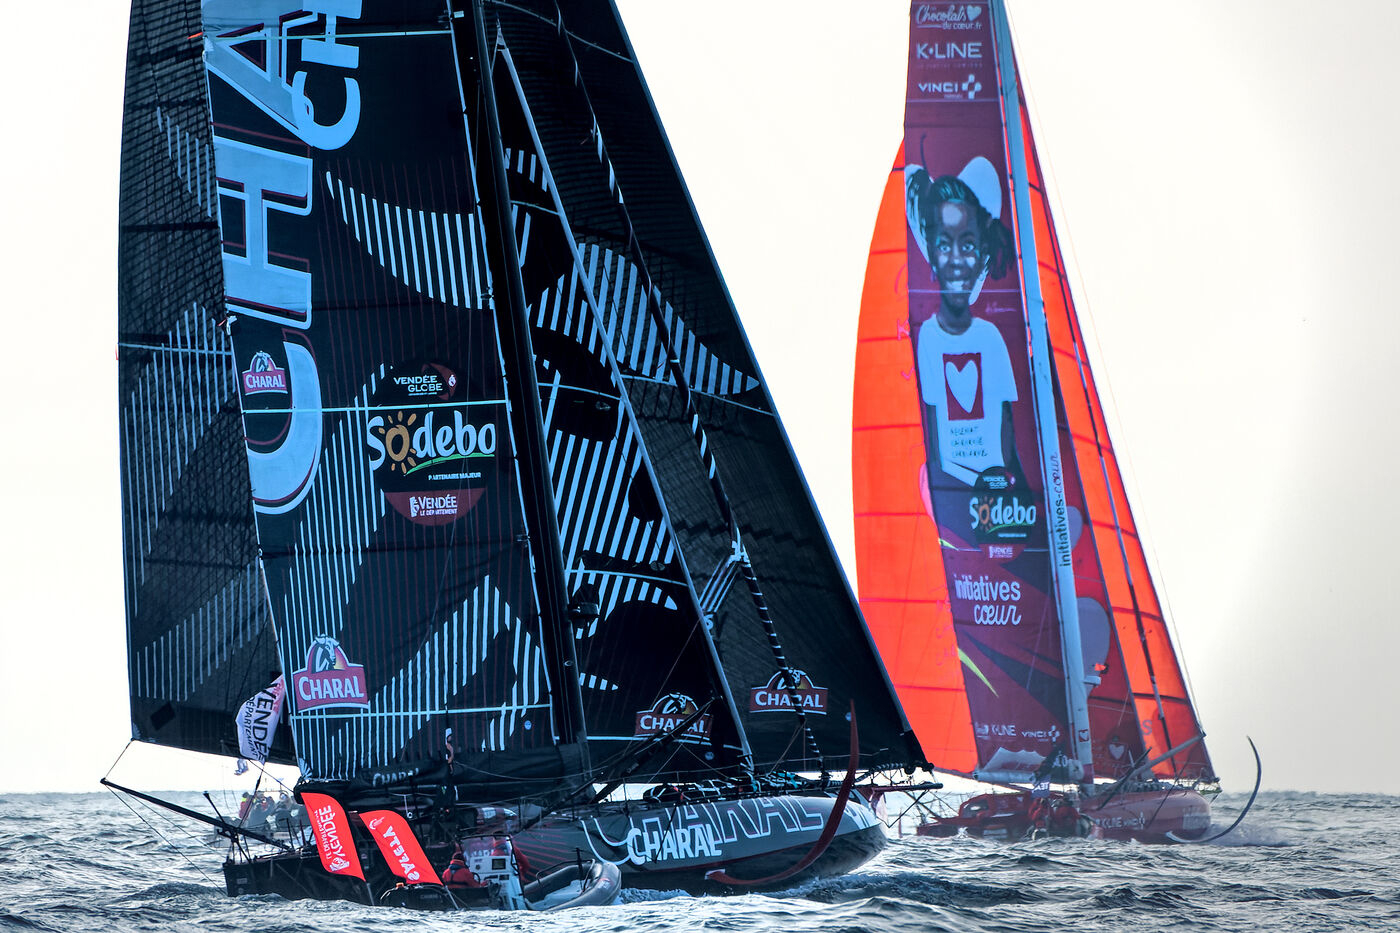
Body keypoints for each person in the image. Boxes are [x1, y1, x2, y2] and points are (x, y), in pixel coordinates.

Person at [906, 158, 1021, 489]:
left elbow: (1008, 433)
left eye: (967, 245)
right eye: (944, 244)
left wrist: (1010, 490)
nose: (956, 259)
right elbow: (928, 430)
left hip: (996, 493)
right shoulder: (926, 338)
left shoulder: (991, 338)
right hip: (949, 491)